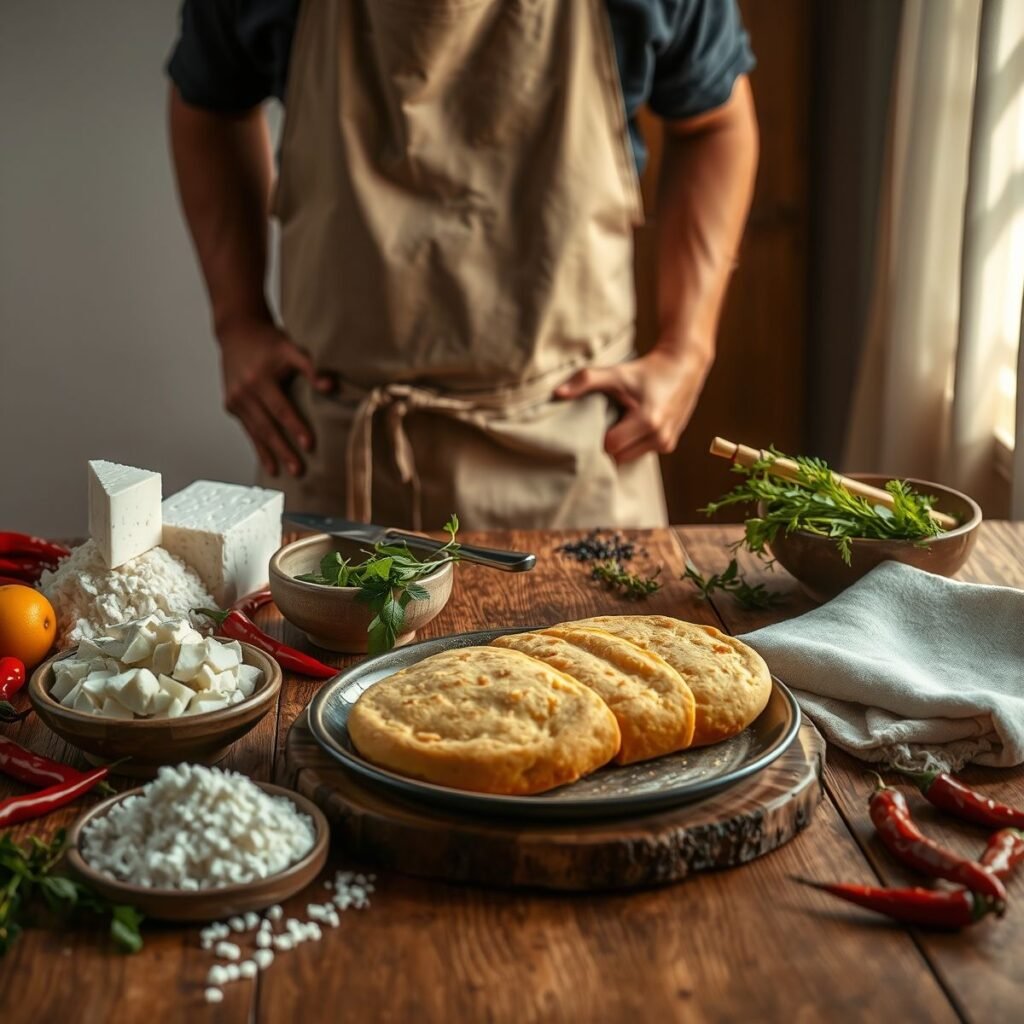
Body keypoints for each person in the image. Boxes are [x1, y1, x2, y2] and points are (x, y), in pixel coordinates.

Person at [168, 0, 758, 530]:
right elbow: (210, 106)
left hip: (574, 461)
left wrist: (688, 348)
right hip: (338, 459)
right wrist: (237, 320)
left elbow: (715, 123)